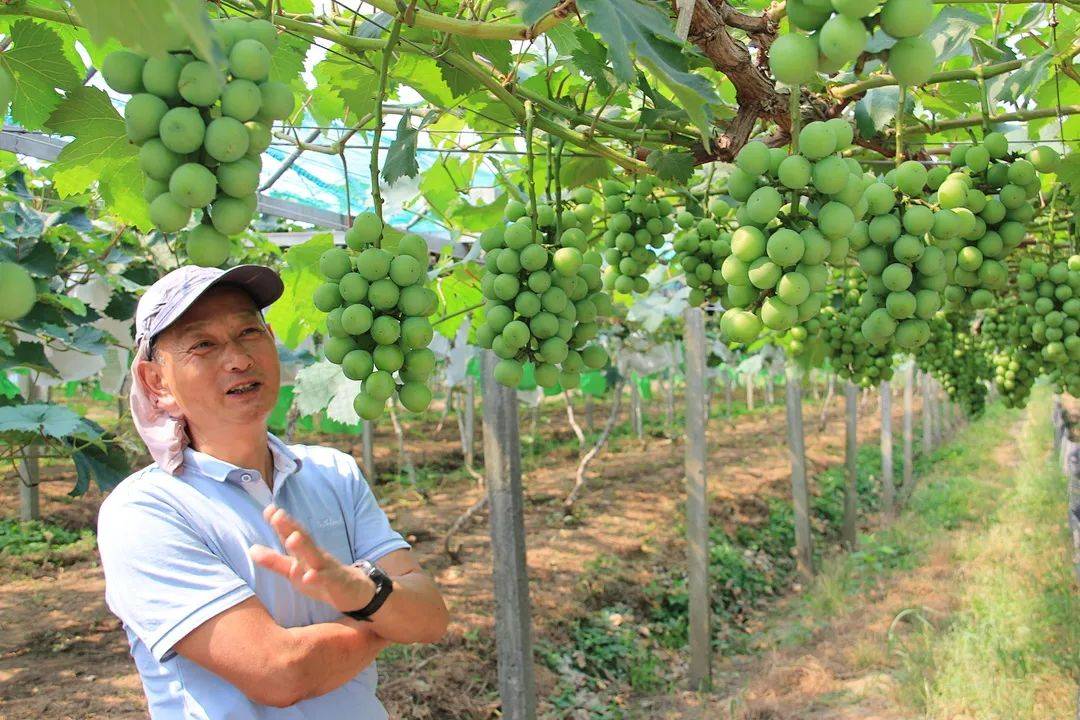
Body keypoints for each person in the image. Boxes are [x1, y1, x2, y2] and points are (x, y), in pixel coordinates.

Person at [97, 264, 449, 719]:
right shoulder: (145, 511)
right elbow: (280, 673)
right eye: (203, 344)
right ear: (156, 383)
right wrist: (381, 614)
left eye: (249, 332)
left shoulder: (333, 472)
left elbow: (431, 616)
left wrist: (364, 595)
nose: (239, 359)